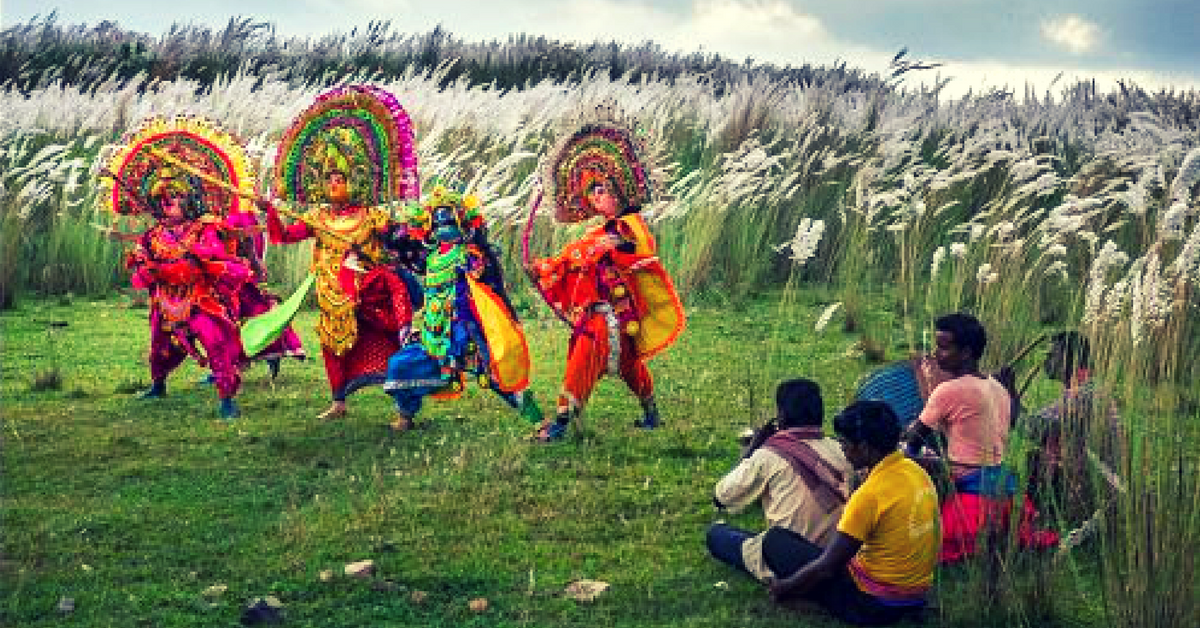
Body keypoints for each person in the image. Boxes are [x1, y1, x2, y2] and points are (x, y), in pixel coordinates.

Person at [526, 119, 685, 441]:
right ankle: (651, 413)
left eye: (602, 189)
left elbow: (640, 252)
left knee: (584, 363)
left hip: (610, 317)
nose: (595, 196)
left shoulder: (628, 227)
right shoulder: (599, 232)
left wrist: (619, 245)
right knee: (626, 365)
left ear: (620, 192)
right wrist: (542, 270)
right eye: (592, 190)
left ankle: (561, 424)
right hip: (603, 315)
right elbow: (571, 262)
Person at [383, 183, 543, 432]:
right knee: (401, 365)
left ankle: (539, 421)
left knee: (497, 375)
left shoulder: (469, 254)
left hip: (466, 332)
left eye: (448, 222)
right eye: (437, 224)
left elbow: (485, 280)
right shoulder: (432, 256)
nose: (442, 228)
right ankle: (405, 417)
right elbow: (410, 267)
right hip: (434, 333)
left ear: (463, 224)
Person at [766, 400, 939, 626]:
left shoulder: (870, 495)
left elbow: (826, 569)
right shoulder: (917, 472)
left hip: (873, 606)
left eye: (845, 444)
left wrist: (783, 588)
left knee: (775, 541)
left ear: (865, 448)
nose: (843, 450)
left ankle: (812, 599)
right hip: (916, 595)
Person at [901, 312, 1057, 562]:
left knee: (902, 455)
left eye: (943, 347)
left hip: (971, 498)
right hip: (1005, 490)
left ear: (965, 353)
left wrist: (909, 432)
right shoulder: (999, 388)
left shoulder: (948, 390)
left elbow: (914, 439)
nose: (936, 354)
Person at [127, 167, 252, 419]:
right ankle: (158, 385)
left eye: (175, 195)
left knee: (215, 342)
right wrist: (146, 266)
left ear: (190, 199)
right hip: (164, 301)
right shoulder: (153, 235)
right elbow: (139, 263)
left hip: (198, 299)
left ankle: (227, 399)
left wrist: (197, 254)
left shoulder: (204, 229)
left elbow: (216, 255)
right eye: (163, 196)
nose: (168, 201)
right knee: (158, 344)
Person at [706, 378, 853, 583]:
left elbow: (721, 496)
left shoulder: (768, 455)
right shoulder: (843, 450)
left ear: (781, 415)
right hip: (837, 554)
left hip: (788, 559)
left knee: (717, 534)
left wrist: (752, 449)